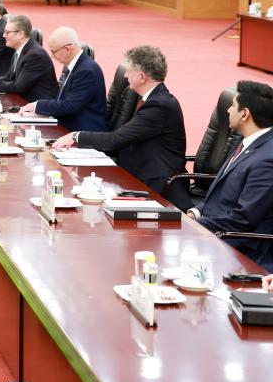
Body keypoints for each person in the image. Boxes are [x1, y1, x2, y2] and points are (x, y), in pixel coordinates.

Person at [53, 46, 190, 209]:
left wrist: (76, 136)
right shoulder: (153, 99)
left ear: (142, 76)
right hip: (138, 173)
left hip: (157, 187)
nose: (125, 75)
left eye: (129, 71)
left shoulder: (159, 106)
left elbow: (116, 139)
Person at [187, 81, 273, 270]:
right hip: (218, 232)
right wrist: (195, 213)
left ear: (245, 114)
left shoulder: (268, 159)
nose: (228, 110)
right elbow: (224, 195)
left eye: (233, 106)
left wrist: (194, 225)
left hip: (240, 250)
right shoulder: (250, 143)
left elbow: (244, 219)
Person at [19, 27, 108, 132]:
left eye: (54, 52)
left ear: (67, 49)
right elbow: (62, 101)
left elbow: (70, 106)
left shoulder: (86, 70)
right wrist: (39, 111)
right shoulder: (73, 65)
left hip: (83, 131)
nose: (52, 56)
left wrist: (37, 106)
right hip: (69, 123)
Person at [0, 15, 57, 102]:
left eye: (7, 32)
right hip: (23, 100)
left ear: (20, 34)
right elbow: (9, 77)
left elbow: (19, 87)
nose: (4, 35)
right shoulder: (20, 50)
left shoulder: (35, 56)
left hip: (36, 104)